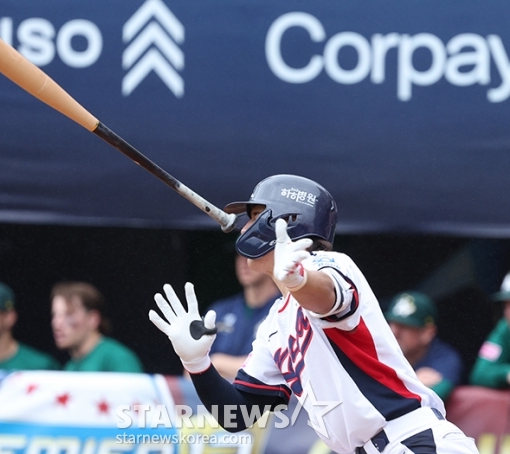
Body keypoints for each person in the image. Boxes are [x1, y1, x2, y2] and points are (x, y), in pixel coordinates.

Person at [149, 174, 479, 454]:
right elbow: (238, 416)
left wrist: (299, 279)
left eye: (253, 215)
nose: (245, 226)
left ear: (284, 220)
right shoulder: (274, 325)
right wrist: (197, 364)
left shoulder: (331, 265)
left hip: (412, 440)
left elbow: (325, 297)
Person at [208, 253, 281, 380]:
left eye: (251, 254)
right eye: (238, 255)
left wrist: (217, 362)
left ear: (273, 258)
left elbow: (275, 369)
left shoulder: (286, 309)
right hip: (217, 398)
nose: (244, 262)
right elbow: (192, 372)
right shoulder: (219, 310)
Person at [384, 291, 463, 401]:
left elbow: (435, 396)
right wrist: (414, 383)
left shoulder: (445, 357)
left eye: (403, 326)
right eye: (391, 323)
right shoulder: (380, 351)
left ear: (427, 333)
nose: (394, 332)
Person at [51, 281, 144, 372]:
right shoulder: (70, 367)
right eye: (55, 315)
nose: (56, 323)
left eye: (69, 315)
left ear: (93, 319)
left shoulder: (118, 359)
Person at [469, 271, 510, 388]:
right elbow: (480, 374)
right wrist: (506, 373)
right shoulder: (505, 329)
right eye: (507, 305)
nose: (508, 312)